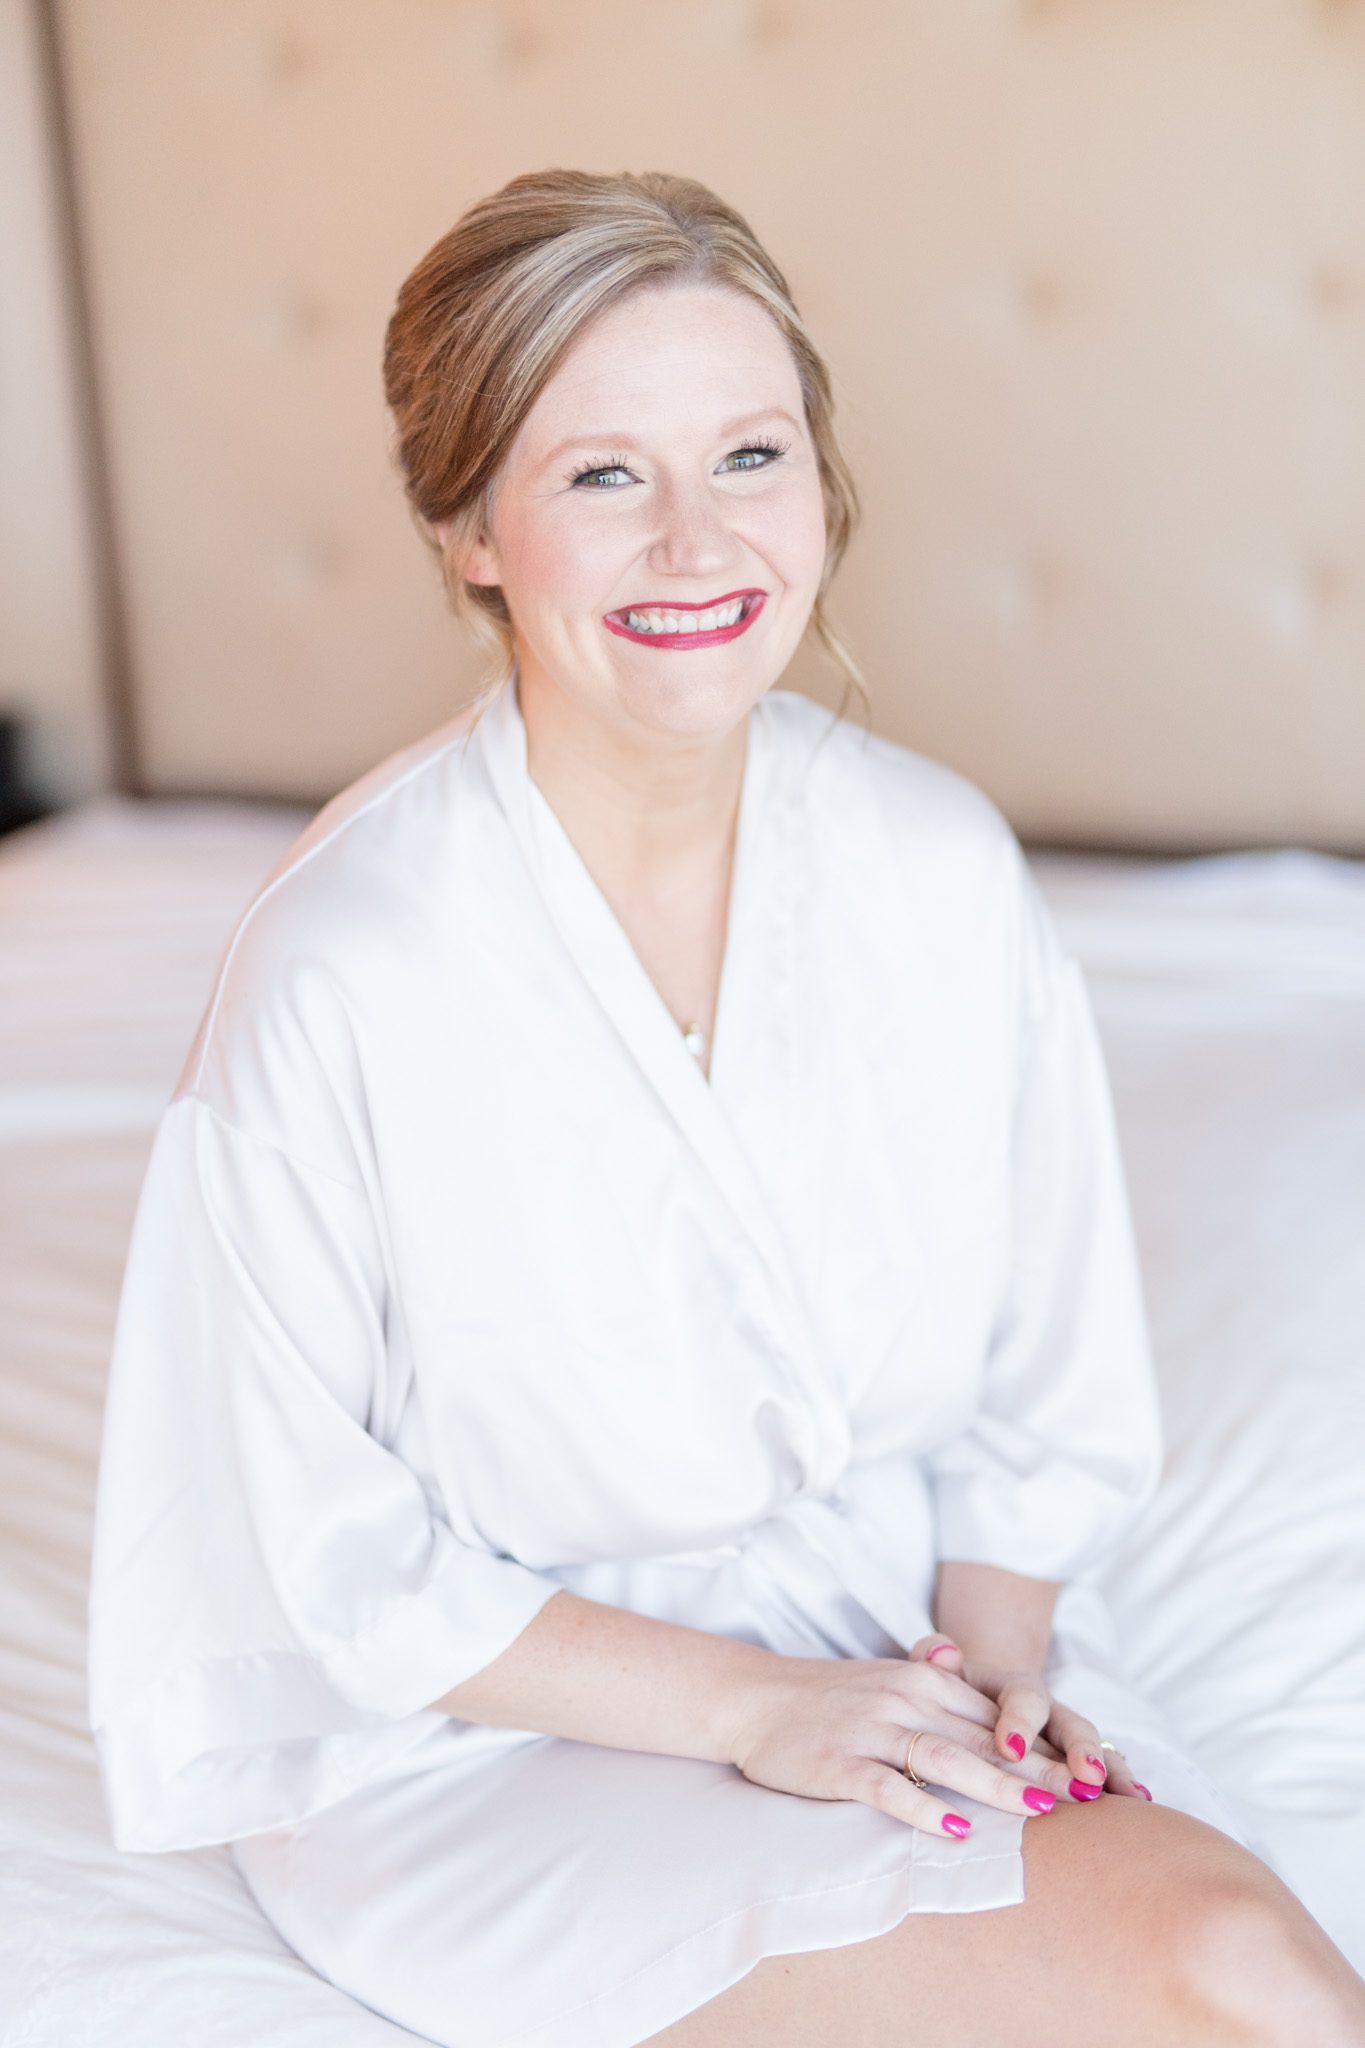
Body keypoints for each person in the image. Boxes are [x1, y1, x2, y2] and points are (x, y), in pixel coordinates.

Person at [89, 170, 1365, 2048]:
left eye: (747, 456)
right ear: (466, 529)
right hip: (482, 1749)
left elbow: (1043, 1389)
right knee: (1214, 1975)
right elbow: (323, 1561)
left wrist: (988, 1676)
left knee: (1239, 1967)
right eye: (602, 476)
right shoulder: (346, 966)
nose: (696, 543)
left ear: (819, 486)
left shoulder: (937, 870)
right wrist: (759, 1714)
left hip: (886, 1649)